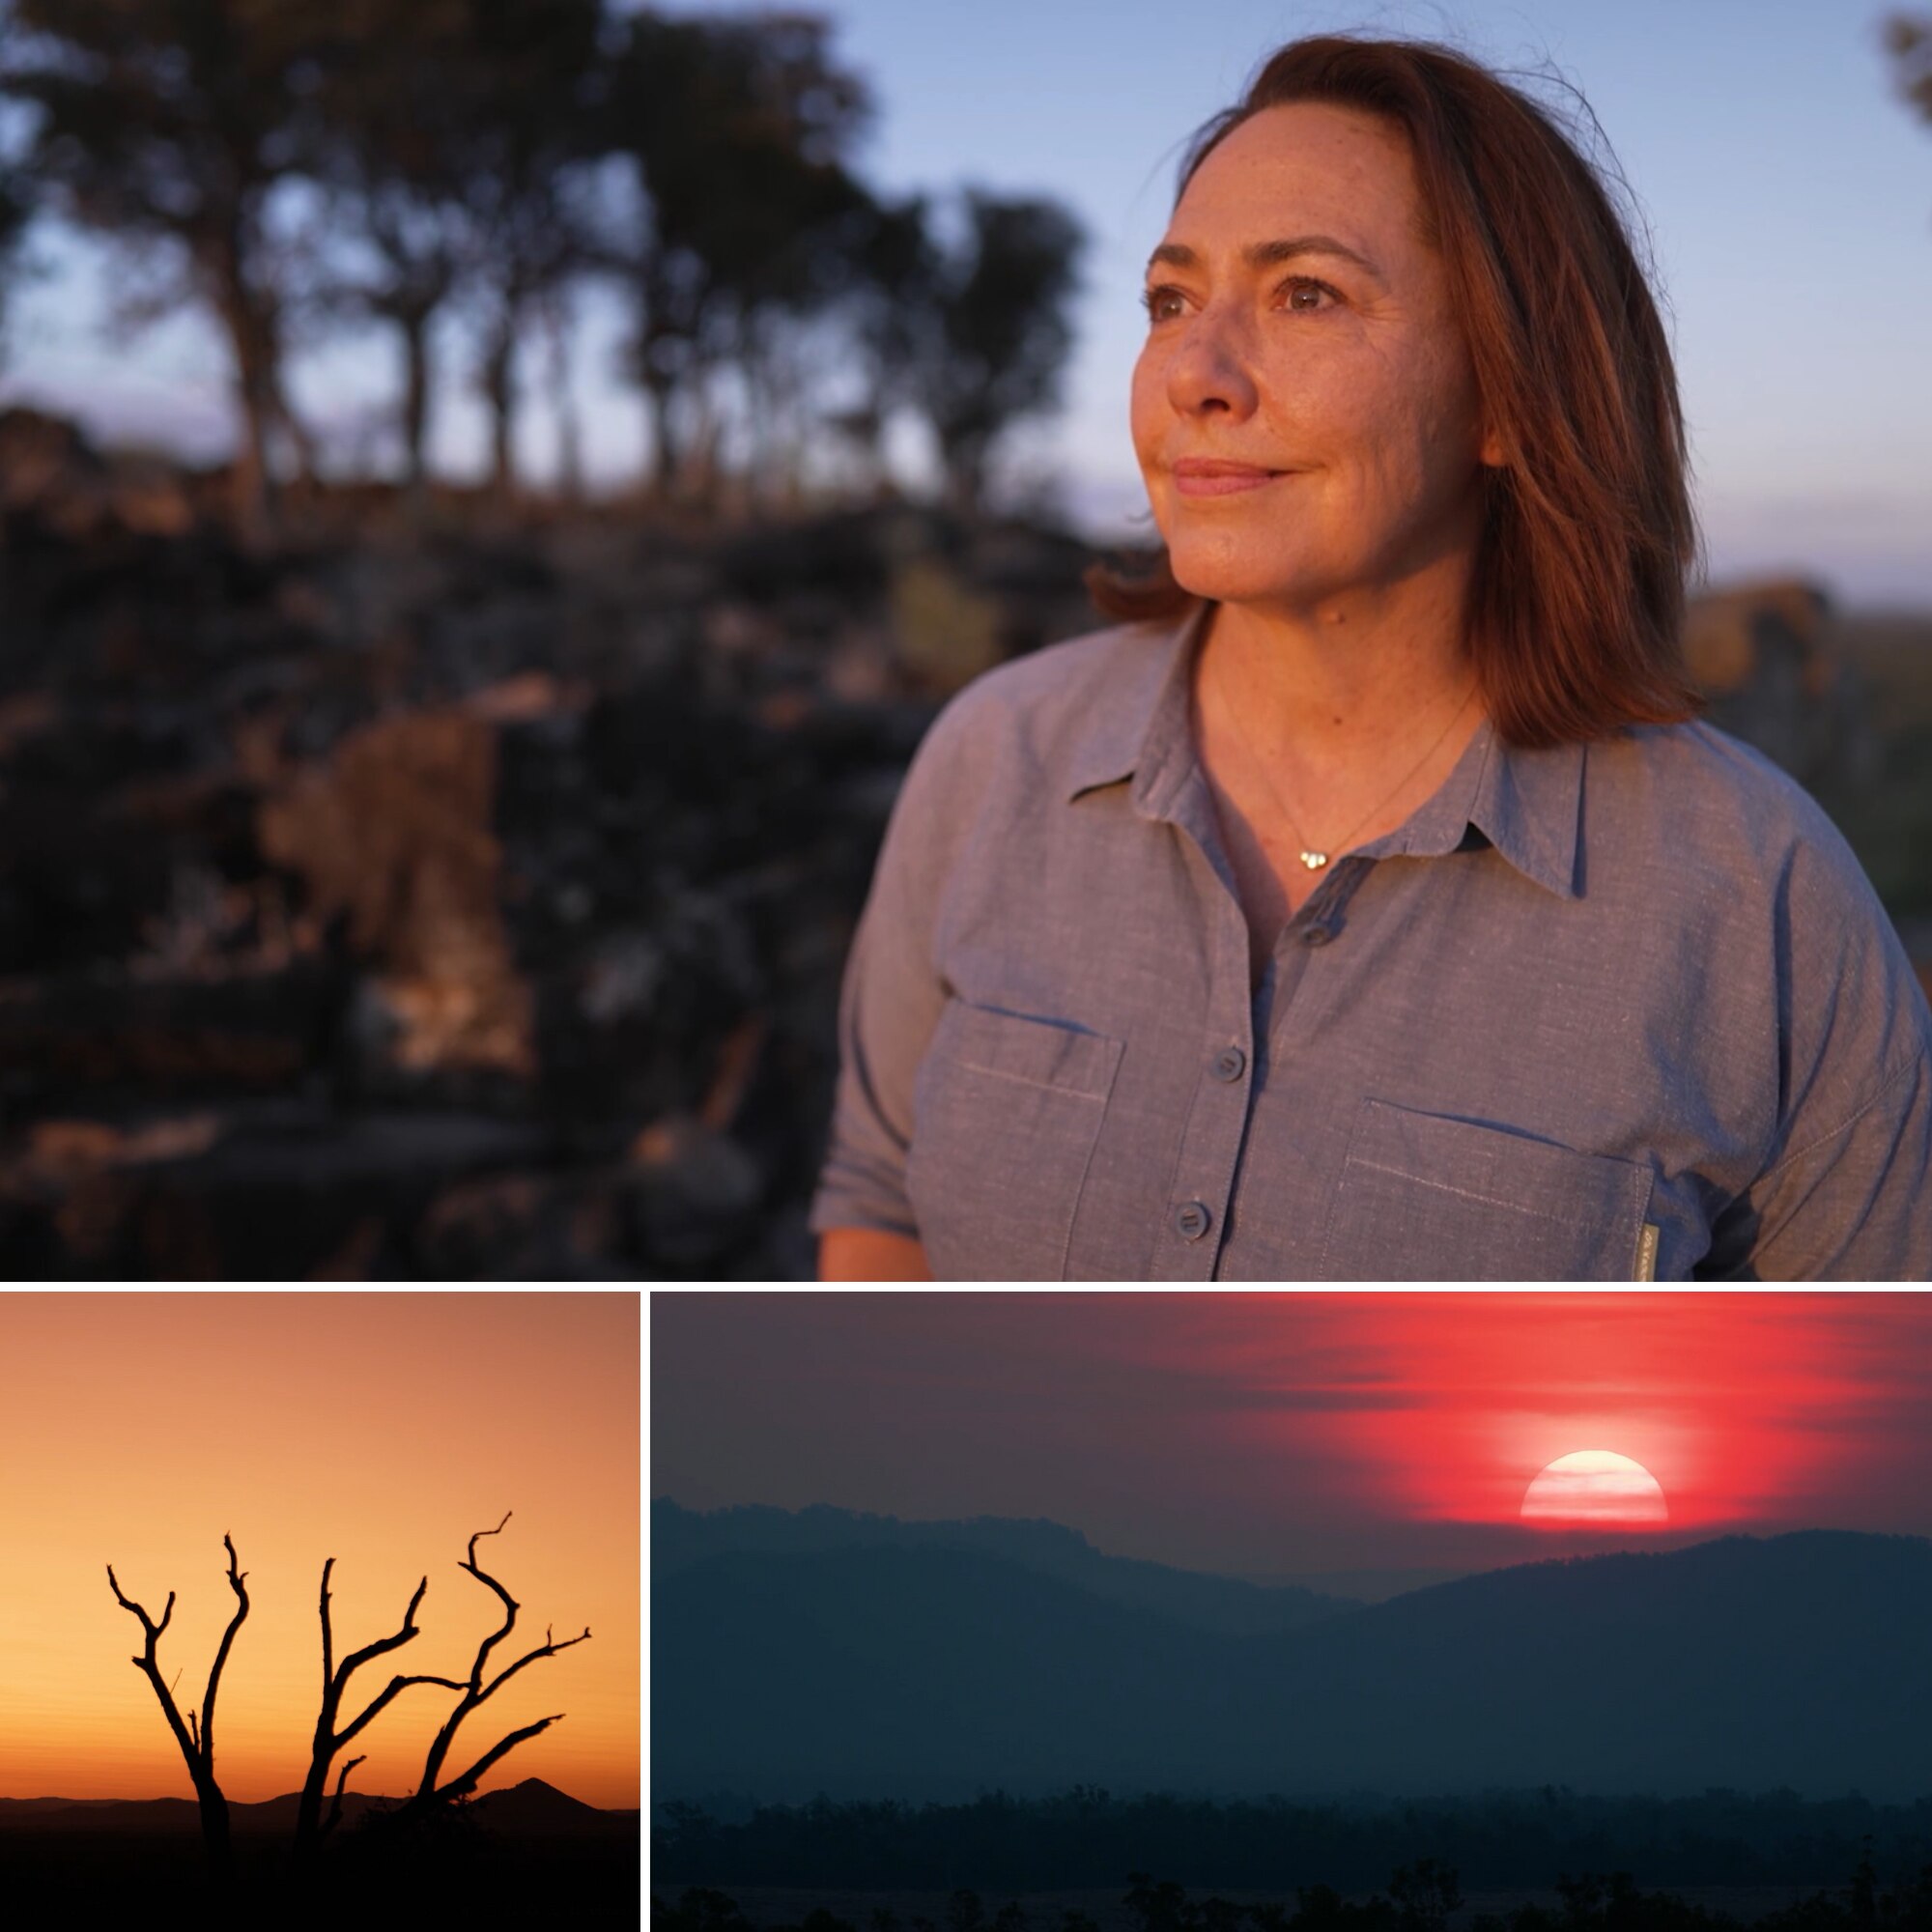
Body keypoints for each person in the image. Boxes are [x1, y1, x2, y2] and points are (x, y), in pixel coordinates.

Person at [809, 33, 1932, 1281]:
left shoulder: (1754, 897)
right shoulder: (996, 757)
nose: (1194, 372)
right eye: (1171, 300)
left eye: (1307, 295)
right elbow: (879, 1200)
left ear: (1512, 396)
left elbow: (1871, 1421)